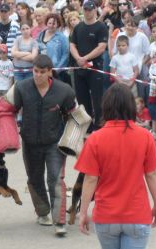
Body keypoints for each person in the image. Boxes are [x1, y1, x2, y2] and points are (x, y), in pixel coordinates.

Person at [76, 83, 156, 249]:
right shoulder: (145, 137)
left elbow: (90, 179)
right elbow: (151, 174)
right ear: (131, 106)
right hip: (137, 214)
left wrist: (83, 211)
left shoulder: (95, 139)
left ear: (106, 107)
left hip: (106, 215)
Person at [13, 54, 76, 236]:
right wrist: (7, 134)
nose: (37, 75)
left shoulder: (64, 91)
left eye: (42, 72)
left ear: (50, 72)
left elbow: (75, 117)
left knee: (55, 180)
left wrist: (72, 142)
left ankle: (60, 221)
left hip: (54, 143)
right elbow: (6, 109)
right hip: (30, 142)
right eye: (35, 71)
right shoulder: (21, 88)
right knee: (35, 179)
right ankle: (42, 213)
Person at [70, 0, 108, 131]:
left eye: (90, 9)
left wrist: (85, 58)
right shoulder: (78, 27)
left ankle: (99, 125)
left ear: (95, 10)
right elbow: (72, 45)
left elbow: (101, 47)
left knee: (97, 98)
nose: (87, 12)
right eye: (85, 9)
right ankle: (87, 125)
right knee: (82, 98)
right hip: (80, 68)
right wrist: (78, 58)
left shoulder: (101, 27)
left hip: (95, 67)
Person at [37, 13, 70, 84]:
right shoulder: (40, 34)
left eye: (54, 23)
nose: (51, 25)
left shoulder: (62, 37)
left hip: (56, 71)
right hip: (42, 69)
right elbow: (36, 50)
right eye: (50, 23)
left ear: (58, 24)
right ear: (46, 23)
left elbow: (65, 54)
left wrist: (57, 70)